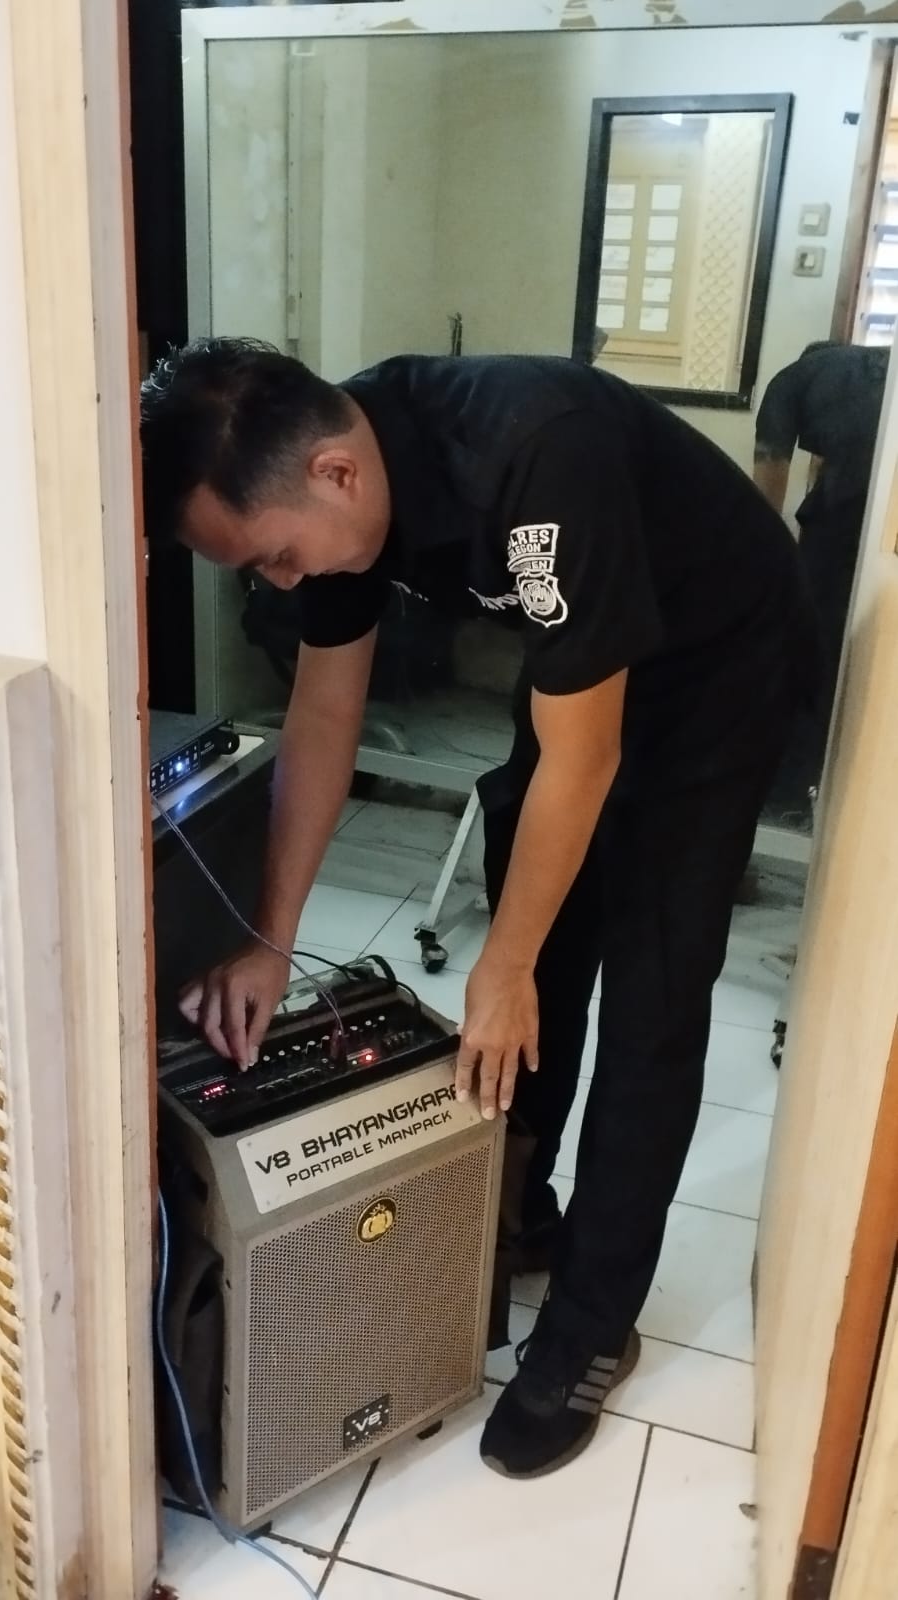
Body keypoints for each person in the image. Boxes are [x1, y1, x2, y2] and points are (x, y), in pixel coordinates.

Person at [141, 339, 818, 1480]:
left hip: (719, 660)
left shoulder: (538, 453)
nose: (283, 584)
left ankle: (594, 1323)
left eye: (277, 558)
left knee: (649, 978)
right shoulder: (343, 478)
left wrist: (500, 965)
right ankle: (521, 1207)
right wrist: (268, 937)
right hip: (583, 667)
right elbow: (323, 715)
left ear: (334, 475)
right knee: (538, 935)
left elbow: (588, 756)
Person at [754, 339, 888, 810]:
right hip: (881, 521)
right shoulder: (874, 368)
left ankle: (793, 788)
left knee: (813, 648)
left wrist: (772, 563)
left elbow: (768, 481)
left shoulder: (790, 383)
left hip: (843, 525)